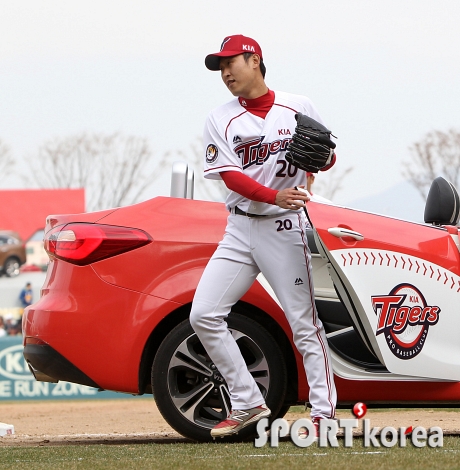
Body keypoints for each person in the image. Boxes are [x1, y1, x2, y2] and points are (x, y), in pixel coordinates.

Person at [189, 34, 337, 439]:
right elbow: (230, 176)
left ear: (254, 60)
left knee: (304, 325)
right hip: (239, 227)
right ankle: (249, 401)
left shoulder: (298, 105)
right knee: (203, 314)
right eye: (219, 66)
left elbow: (327, 155)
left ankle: (324, 414)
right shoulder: (220, 118)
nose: (224, 72)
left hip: (285, 227)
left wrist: (322, 158)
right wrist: (274, 193)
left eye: (229, 62)